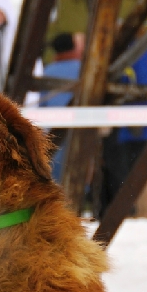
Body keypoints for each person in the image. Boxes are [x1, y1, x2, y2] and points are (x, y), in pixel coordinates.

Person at [99, 38, 147, 219]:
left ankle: (131, 212)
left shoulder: (134, 49)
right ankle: (146, 211)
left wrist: (137, 116)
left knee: (125, 172)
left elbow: (144, 84)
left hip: (131, 125)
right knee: (144, 169)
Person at [40, 32, 85, 181]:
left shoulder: (47, 71)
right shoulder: (82, 69)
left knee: (56, 172)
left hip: (54, 130)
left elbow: (42, 105)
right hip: (80, 128)